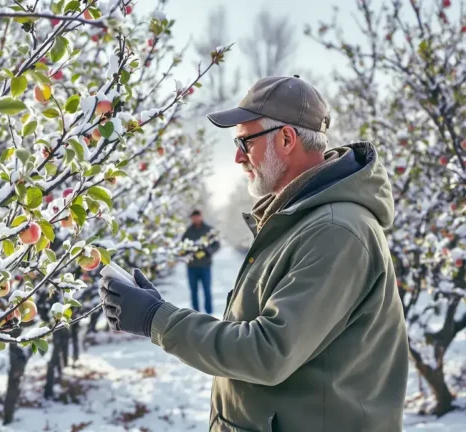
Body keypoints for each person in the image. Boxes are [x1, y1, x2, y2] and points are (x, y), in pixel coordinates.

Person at [99, 75, 408, 432]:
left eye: (244, 142)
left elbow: (268, 352)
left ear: (287, 139)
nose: (236, 157)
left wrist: (157, 319)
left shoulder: (335, 231)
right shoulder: (299, 221)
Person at [181, 209, 220, 314]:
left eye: (197, 217)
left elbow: (217, 244)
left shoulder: (208, 230)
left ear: (201, 217)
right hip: (192, 266)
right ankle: (196, 314)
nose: (195, 219)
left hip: (205, 266)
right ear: (191, 218)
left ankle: (209, 314)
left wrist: (209, 251)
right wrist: (188, 252)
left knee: (207, 290)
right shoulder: (188, 232)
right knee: (194, 291)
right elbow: (182, 247)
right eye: (193, 217)